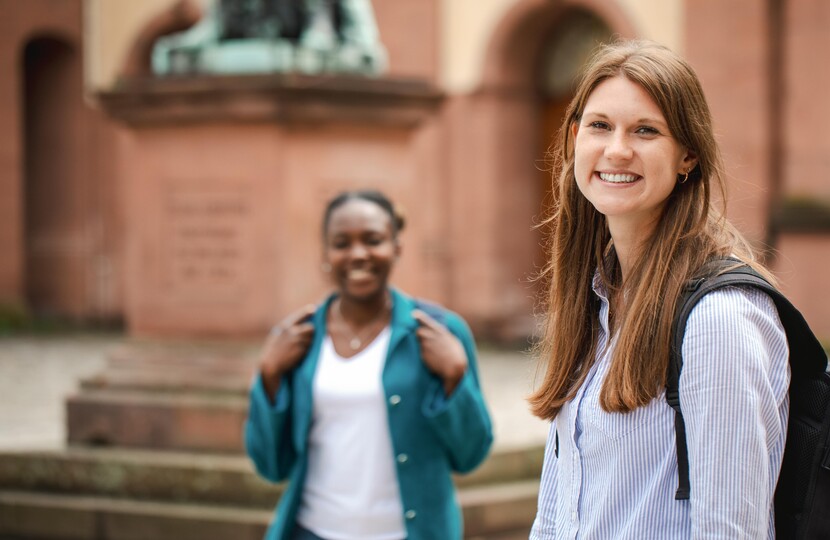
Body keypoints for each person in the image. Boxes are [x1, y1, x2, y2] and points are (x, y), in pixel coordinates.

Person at [527, 40, 790, 539]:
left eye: (645, 130)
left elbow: (730, 529)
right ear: (574, 138)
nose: (617, 149)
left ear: (687, 155)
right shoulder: (598, 299)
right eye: (600, 125)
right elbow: (558, 509)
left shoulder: (718, 320)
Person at [245, 190, 494, 540]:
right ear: (325, 254)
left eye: (373, 240)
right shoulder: (297, 338)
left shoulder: (442, 332)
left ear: (396, 247)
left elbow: (470, 456)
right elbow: (271, 466)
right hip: (312, 531)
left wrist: (455, 378)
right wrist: (269, 376)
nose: (358, 254)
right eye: (342, 243)